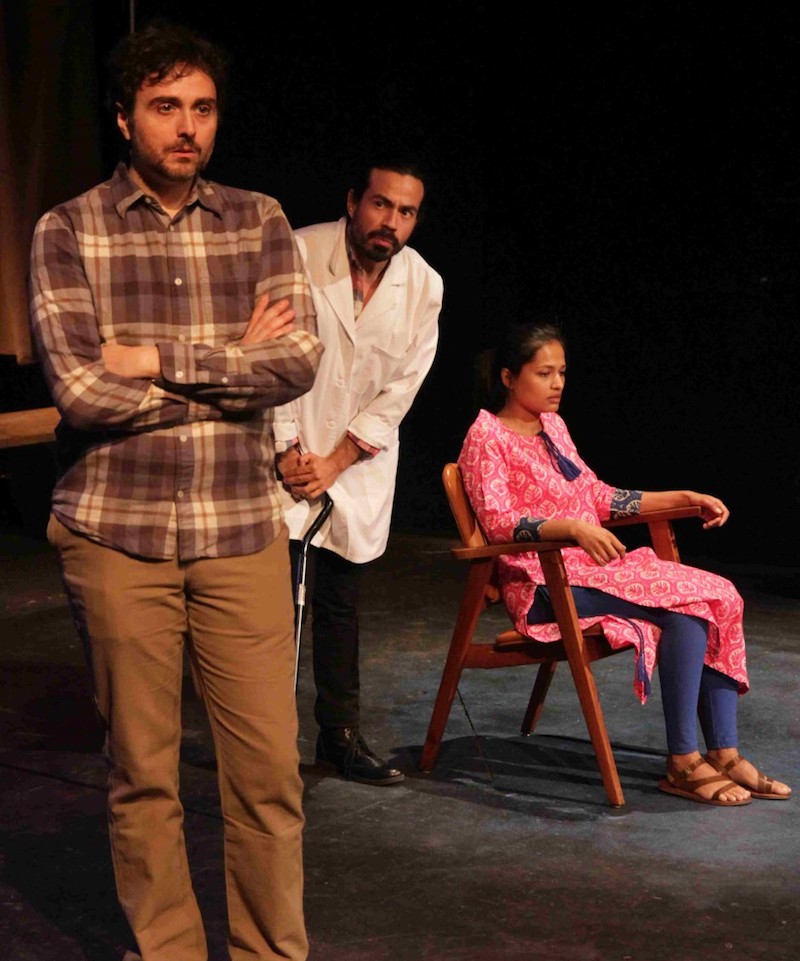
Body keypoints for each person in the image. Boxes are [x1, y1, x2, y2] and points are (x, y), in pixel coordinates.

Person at [28, 21, 321, 961]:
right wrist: (234, 366)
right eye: (165, 107)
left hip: (240, 529)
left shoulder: (261, 218)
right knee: (143, 773)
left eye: (201, 108)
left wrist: (158, 361)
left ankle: (273, 953)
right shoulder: (68, 229)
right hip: (116, 533)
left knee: (269, 772)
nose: (186, 127)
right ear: (125, 118)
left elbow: (298, 361)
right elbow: (79, 390)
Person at [458, 322, 791, 806]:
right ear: (509, 377)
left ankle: (720, 751)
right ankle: (682, 761)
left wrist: (681, 496)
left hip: (591, 570)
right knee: (690, 604)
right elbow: (500, 522)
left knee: (714, 595)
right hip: (543, 583)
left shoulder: (554, 429)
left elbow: (597, 496)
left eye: (562, 373)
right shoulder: (486, 436)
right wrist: (569, 528)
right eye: (544, 373)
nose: (557, 384)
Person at [274, 158, 443, 786]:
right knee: (275, 608)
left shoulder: (425, 286)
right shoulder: (296, 253)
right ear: (354, 201)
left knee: (341, 607)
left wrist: (337, 461)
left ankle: (338, 736)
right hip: (285, 463)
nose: (390, 222)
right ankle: (266, 742)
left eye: (405, 212)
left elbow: (402, 389)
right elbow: (273, 356)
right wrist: (291, 451)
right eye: (380, 205)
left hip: (355, 466)